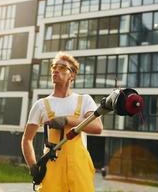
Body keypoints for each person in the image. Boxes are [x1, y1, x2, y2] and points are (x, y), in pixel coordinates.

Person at [21, 52, 103, 192]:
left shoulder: (84, 100)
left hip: (79, 167)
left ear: (72, 75)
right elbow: (27, 139)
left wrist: (67, 120)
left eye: (62, 67)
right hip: (52, 166)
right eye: (54, 67)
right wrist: (33, 166)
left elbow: (97, 127)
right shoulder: (41, 105)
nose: (56, 70)